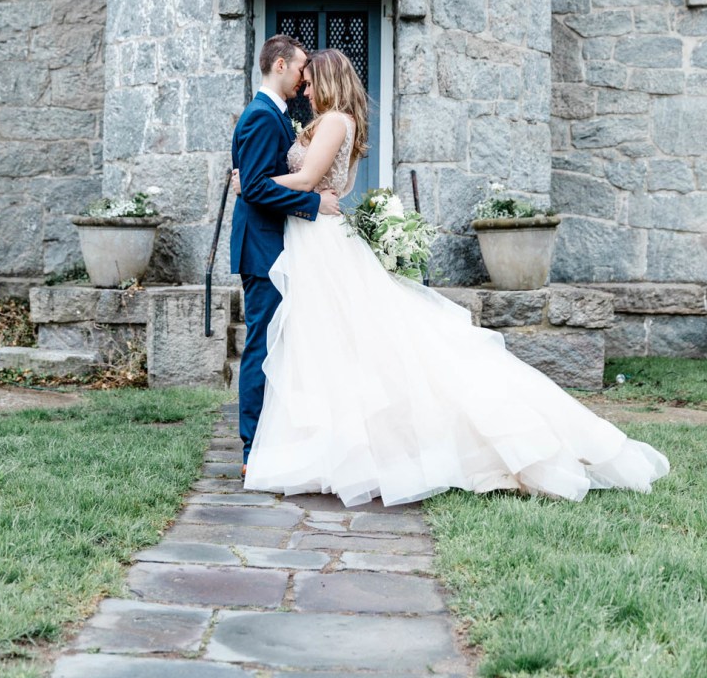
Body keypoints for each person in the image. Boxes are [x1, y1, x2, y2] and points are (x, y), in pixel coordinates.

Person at [234, 47, 670, 506]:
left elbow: (308, 184)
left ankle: (356, 447)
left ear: (327, 80)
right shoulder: (328, 122)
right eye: (302, 77)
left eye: (310, 78)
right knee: (325, 345)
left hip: (319, 240)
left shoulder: (335, 122)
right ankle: (321, 445)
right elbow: (324, 185)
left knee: (356, 344)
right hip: (308, 242)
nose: (304, 85)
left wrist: (251, 183)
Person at [230, 34, 341, 475]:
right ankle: (251, 447)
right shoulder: (260, 117)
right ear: (279, 65)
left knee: (282, 344)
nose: (302, 78)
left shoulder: (274, 116)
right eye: (299, 69)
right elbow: (255, 188)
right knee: (262, 344)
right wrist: (314, 204)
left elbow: (255, 179)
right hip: (262, 247)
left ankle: (276, 438)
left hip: (279, 244)